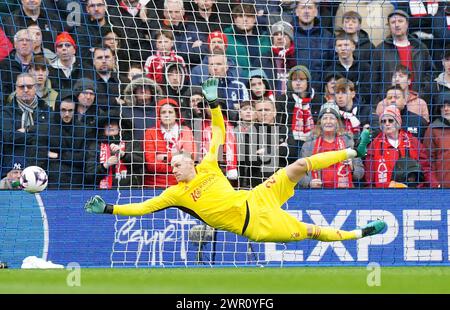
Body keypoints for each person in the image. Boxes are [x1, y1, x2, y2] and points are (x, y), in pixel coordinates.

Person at [85, 78, 386, 244]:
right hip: (256, 224)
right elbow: (141, 208)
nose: (173, 169)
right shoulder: (175, 194)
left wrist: (214, 104)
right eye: (172, 167)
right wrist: (109, 208)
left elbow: (218, 131)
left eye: (177, 164)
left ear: (190, 162)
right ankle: (360, 233)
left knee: (296, 166)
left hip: (256, 197)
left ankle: (352, 152)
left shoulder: (206, 166)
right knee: (311, 231)